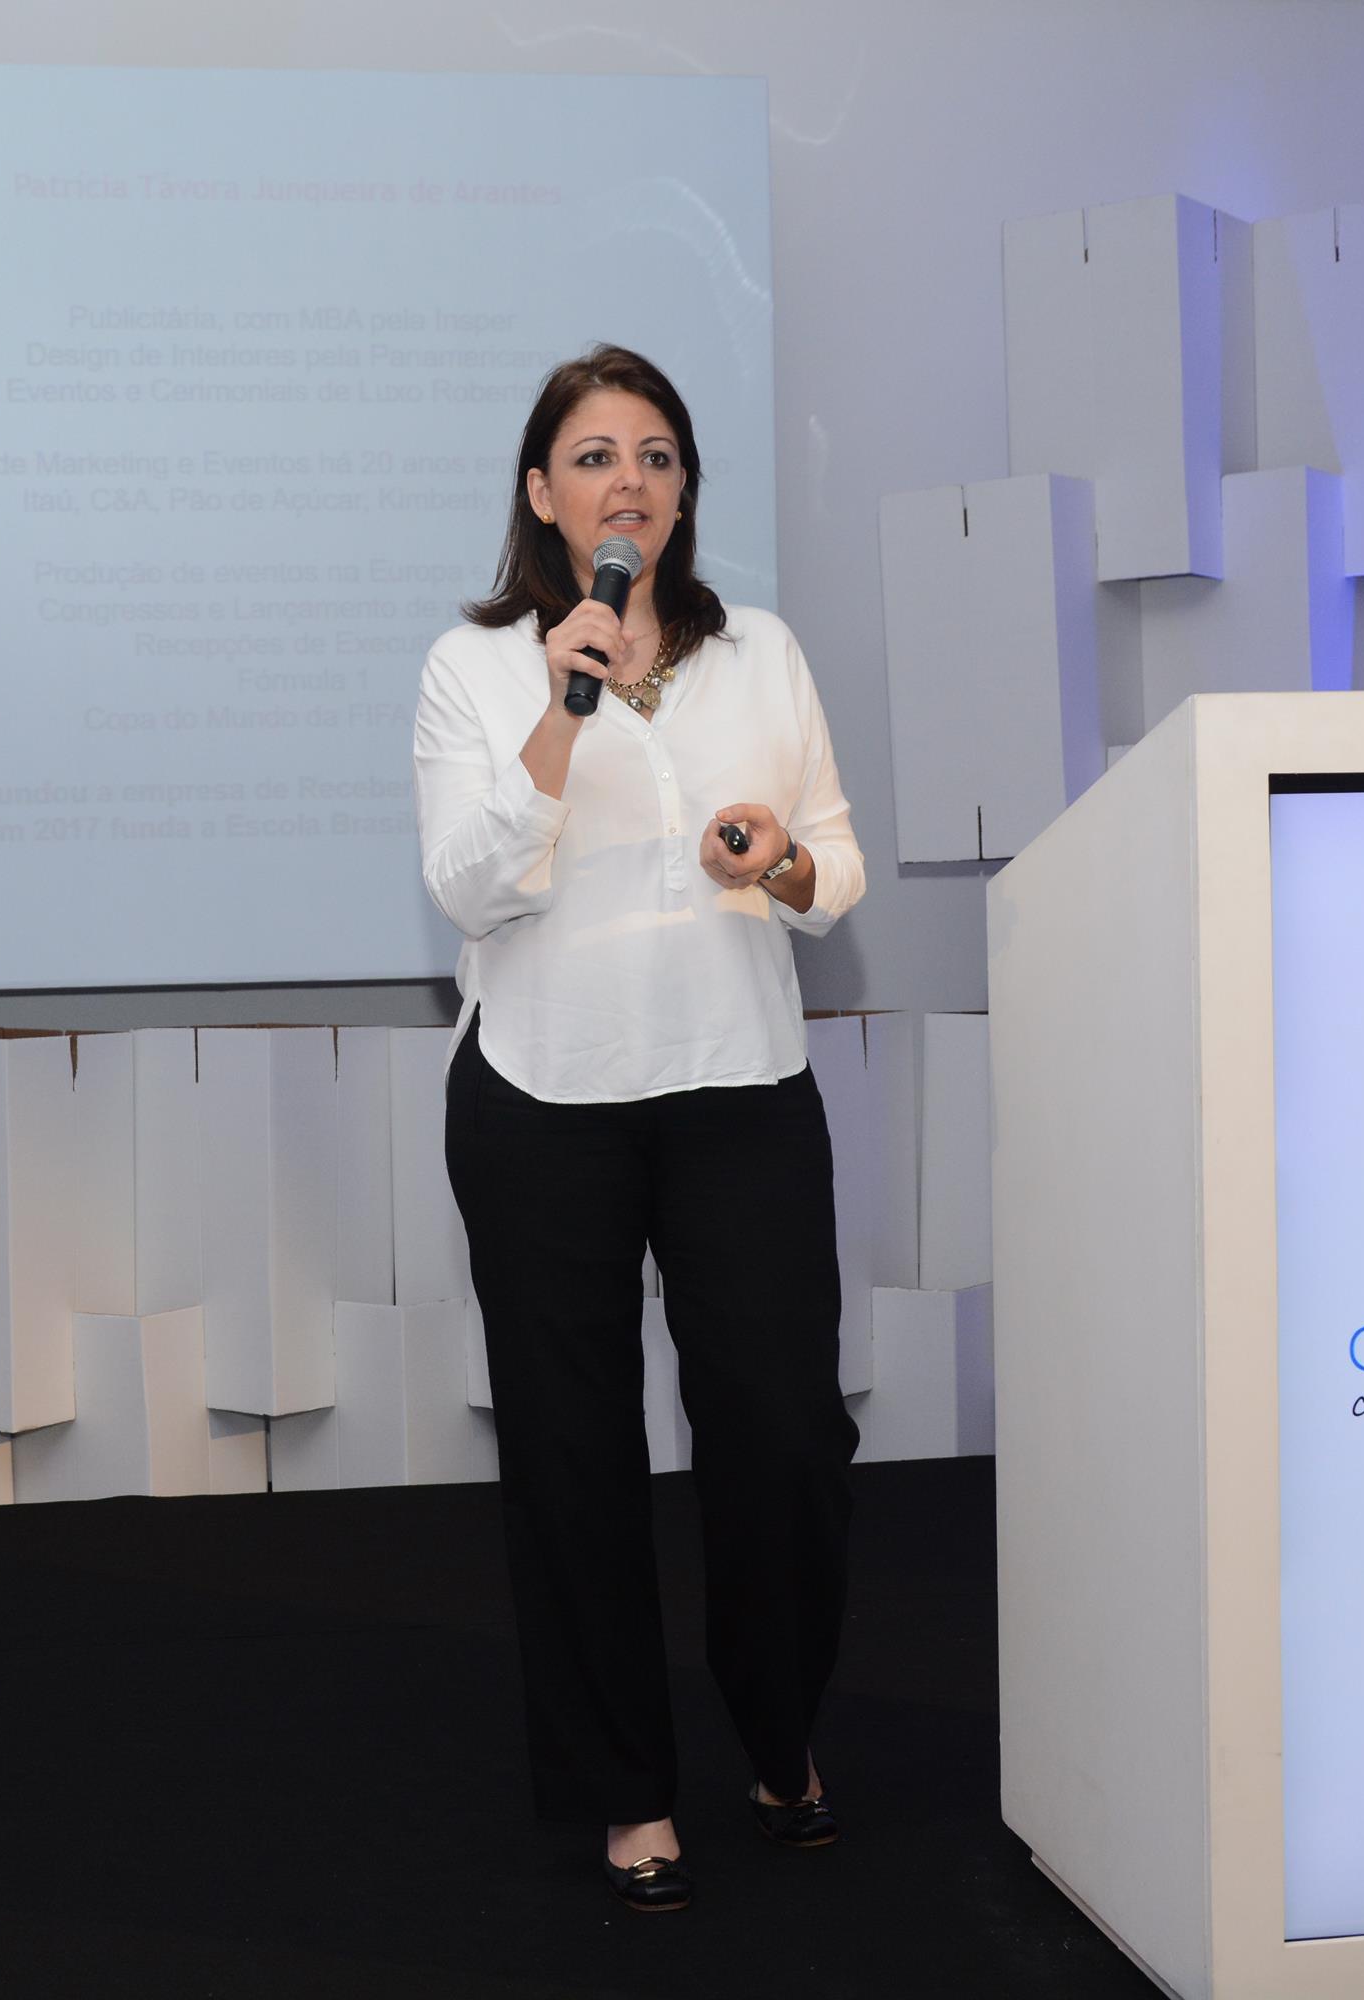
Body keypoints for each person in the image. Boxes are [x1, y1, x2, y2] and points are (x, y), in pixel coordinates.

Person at [412, 344, 867, 1913]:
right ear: (542, 493)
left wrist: (778, 861)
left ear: (684, 493)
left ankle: (780, 1732)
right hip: (545, 1097)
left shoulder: (764, 655)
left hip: (739, 1086)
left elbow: (834, 869)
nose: (630, 482)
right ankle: (629, 1793)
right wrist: (563, 708)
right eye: (596, 456)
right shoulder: (477, 669)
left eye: (657, 456)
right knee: (574, 1457)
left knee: (786, 1438)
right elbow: (471, 888)